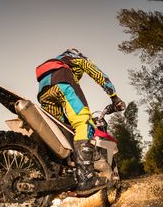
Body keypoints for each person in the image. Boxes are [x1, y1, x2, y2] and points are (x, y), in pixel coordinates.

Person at [36, 48, 125, 193]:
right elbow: (98, 74)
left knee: (61, 132)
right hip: (62, 82)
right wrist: (114, 97)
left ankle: (57, 174)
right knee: (84, 123)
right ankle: (86, 178)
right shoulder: (74, 58)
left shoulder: (55, 62)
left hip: (44, 91)